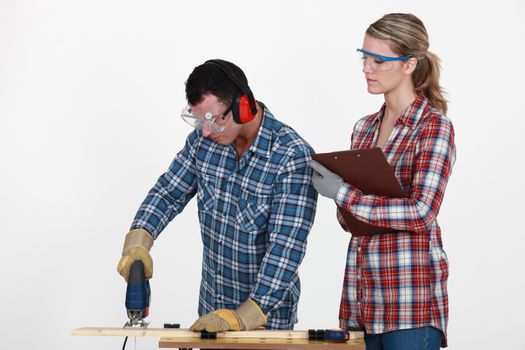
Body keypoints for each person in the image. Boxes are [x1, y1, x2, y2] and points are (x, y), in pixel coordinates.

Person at [117, 59, 318, 332]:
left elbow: (285, 250)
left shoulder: (291, 157)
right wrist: (138, 242)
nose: (206, 131)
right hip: (210, 317)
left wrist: (242, 317)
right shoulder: (203, 143)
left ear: (244, 106)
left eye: (213, 120)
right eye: (198, 120)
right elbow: (167, 194)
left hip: (264, 324)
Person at [310, 13, 456, 350]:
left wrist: (344, 192)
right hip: (361, 302)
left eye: (379, 60)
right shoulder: (363, 128)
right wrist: (338, 198)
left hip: (409, 304)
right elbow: (351, 222)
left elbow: (422, 213)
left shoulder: (433, 127)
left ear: (409, 65)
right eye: (364, 57)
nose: (367, 68)